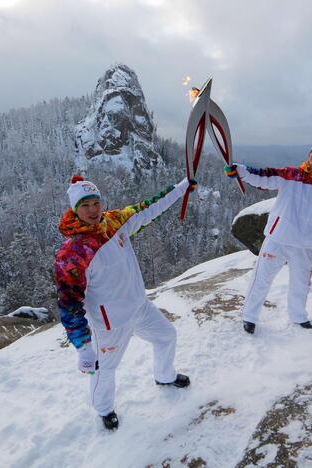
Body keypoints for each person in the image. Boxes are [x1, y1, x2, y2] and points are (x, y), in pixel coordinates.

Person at [55, 175, 196, 431]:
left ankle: (164, 377)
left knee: (166, 336)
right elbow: (69, 304)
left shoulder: (114, 223)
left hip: (140, 308)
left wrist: (182, 187)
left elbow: (149, 207)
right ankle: (104, 409)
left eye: (96, 203)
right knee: (105, 369)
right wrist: (83, 347)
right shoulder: (73, 254)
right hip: (110, 324)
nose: (93, 210)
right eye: (85, 205)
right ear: (75, 210)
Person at [224, 136, 312, 333]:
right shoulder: (292, 175)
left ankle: (298, 317)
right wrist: (240, 171)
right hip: (278, 239)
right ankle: (249, 316)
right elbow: (263, 176)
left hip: (305, 245)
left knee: (301, 284)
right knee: (261, 279)